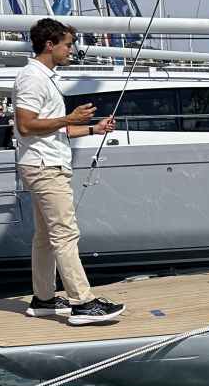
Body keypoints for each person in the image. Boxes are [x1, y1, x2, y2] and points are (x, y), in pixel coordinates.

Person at [14, 18, 125, 325]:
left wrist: (92, 128)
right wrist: (69, 118)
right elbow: (25, 125)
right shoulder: (32, 78)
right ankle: (82, 303)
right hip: (44, 166)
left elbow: (50, 129)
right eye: (67, 44)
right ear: (50, 45)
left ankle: (44, 299)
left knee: (46, 237)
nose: (71, 50)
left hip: (43, 161)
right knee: (65, 234)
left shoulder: (45, 77)